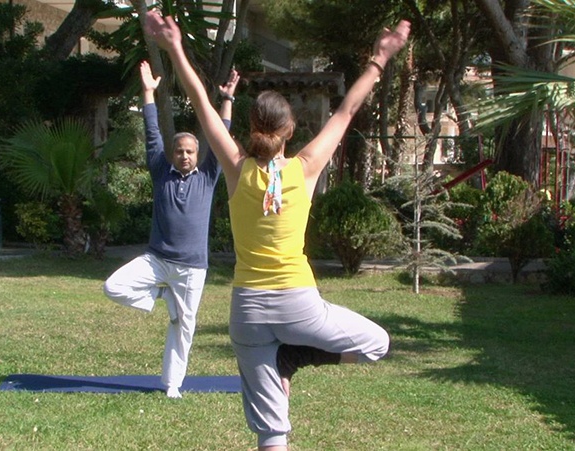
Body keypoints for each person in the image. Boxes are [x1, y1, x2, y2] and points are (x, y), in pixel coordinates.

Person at [144, 11, 410, 449]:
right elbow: (346, 111)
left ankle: (287, 360)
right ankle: (296, 357)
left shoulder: (235, 167)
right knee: (376, 343)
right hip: (299, 306)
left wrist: (174, 47)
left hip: (246, 313)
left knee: (272, 431)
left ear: (252, 129)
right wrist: (380, 58)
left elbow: (202, 104)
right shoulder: (304, 169)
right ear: (289, 132)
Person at [103, 60, 240, 399]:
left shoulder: (208, 176)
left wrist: (227, 100)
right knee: (112, 286)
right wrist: (148, 93)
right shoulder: (160, 171)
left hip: (193, 268)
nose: (184, 156)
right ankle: (161, 296)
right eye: (179, 151)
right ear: (171, 154)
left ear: (197, 155)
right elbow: (152, 135)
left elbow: (219, 136)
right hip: (157, 260)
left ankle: (173, 385)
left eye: (190, 151)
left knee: (183, 327)